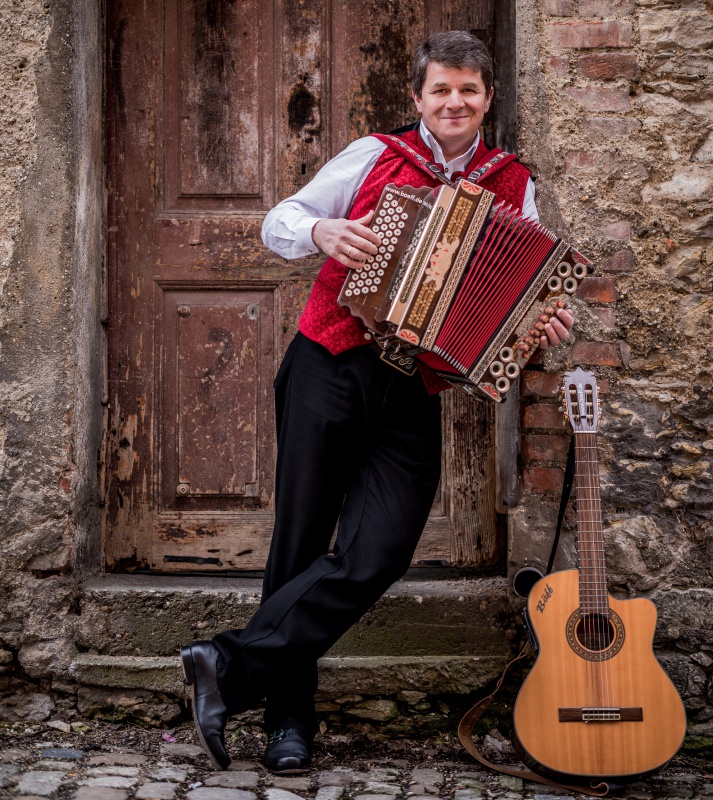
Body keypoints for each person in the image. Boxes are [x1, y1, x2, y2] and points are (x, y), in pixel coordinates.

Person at [181, 30, 574, 775]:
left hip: (412, 385)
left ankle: (224, 667)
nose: (454, 102)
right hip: (329, 362)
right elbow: (279, 221)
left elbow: (525, 287)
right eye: (440, 89)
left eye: (468, 90)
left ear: (487, 99)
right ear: (417, 98)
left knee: (380, 551)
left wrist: (543, 323)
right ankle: (288, 722)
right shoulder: (375, 156)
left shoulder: (511, 182)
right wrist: (321, 228)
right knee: (300, 543)